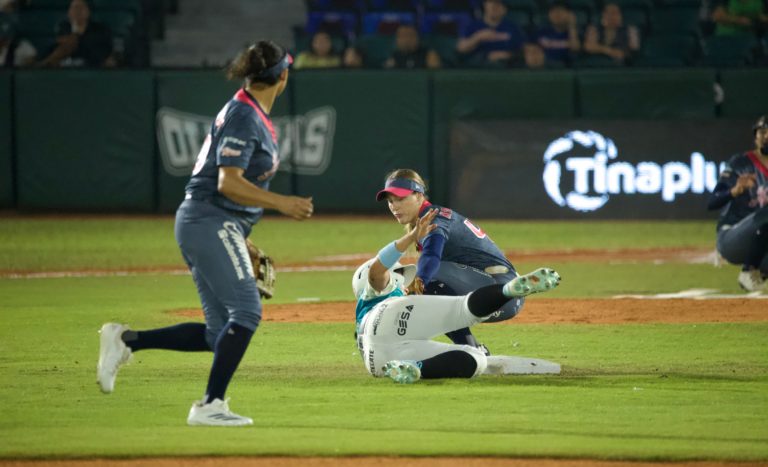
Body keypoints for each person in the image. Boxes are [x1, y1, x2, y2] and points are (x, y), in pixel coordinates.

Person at [96, 40, 314, 426]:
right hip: (208, 219)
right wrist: (282, 202)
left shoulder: (248, 111)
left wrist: (241, 236)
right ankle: (211, 405)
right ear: (282, 76)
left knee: (217, 334)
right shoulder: (244, 115)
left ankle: (126, 341)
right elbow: (228, 182)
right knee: (247, 311)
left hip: (212, 222)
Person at [354, 209, 561, 384]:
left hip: (377, 363)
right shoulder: (375, 289)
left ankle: (416, 368)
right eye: (397, 273)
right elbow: (376, 273)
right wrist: (411, 237)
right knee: (463, 309)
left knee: (476, 359)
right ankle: (507, 290)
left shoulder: (361, 313)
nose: (399, 278)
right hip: (387, 315)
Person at [375, 168, 528, 354]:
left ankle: (471, 348)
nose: (394, 206)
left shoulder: (434, 219)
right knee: (428, 290)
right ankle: (474, 350)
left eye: (400, 199)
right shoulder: (430, 217)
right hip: (491, 290)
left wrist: (421, 280)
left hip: (502, 294)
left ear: (418, 195)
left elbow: (432, 255)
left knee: (427, 281)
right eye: (390, 201)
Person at [708, 115, 768, 292]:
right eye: (763, 132)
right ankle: (748, 270)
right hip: (732, 237)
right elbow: (712, 202)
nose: (766, 136)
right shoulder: (741, 163)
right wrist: (734, 190)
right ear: (755, 136)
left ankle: (761, 273)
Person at [38, 0, 114, 67]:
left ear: (88, 11)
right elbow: (56, 45)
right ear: (68, 12)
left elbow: (98, 52)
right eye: (74, 8)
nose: (77, 11)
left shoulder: (99, 29)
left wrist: (76, 37)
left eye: (81, 7)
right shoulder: (63, 28)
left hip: (91, 68)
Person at [456, 0, 526, 67]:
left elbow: (523, 50)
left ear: (504, 9)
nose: (494, 6)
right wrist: (478, 37)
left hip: (507, 66)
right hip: (479, 66)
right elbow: (461, 49)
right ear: (485, 5)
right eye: (491, 2)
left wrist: (507, 55)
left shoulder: (512, 28)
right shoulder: (473, 26)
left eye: (498, 4)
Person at [534, 1, 581, 66]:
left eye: (560, 11)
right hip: (545, 68)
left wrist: (571, 26)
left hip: (567, 68)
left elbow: (575, 49)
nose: (557, 14)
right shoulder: (541, 32)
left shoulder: (576, 33)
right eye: (553, 11)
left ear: (569, 14)